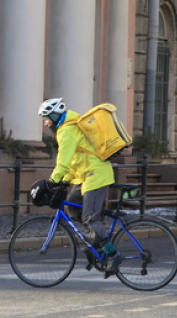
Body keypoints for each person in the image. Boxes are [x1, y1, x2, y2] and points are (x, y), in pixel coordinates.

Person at [39, 97, 122, 277]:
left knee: (91, 218)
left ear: (55, 116)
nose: (45, 123)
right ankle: (94, 244)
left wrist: (52, 181)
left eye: (46, 118)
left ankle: (113, 254)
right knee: (72, 207)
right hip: (84, 175)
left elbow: (64, 161)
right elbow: (76, 161)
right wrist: (65, 181)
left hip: (96, 174)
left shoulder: (67, 130)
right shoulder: (68, 127)